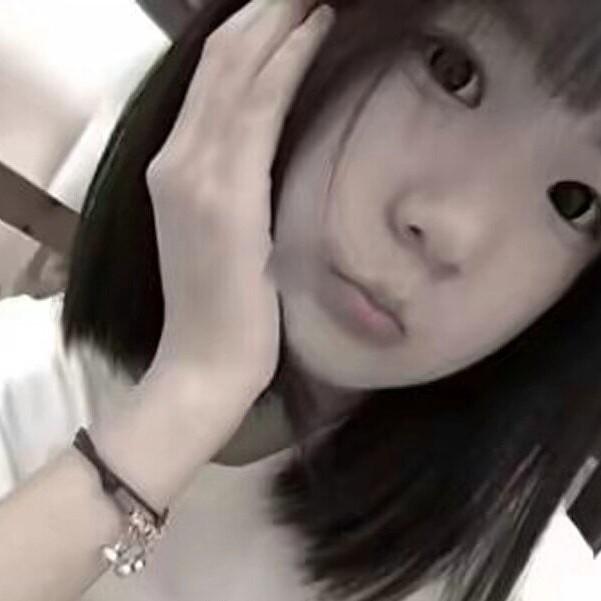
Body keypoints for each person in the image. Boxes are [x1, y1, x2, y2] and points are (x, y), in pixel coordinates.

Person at [2, 0, 601, 600]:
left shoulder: (538, 584)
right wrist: (191, 393)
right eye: (452, 71)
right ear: (270, 30)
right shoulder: (22, 381)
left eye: (575, 203)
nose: (453, 230)